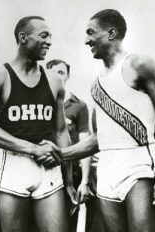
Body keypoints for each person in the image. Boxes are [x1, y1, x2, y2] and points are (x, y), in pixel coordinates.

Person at [57, 9, 155, 232]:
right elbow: (99, 139)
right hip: (107, 168)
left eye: (91, 33)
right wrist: (60, 154)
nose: (86, 40)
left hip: (139, 164)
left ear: (111, 33)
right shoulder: (96, 84)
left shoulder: (138, 64)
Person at [0, 16, 74, 232]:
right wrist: (32, 148)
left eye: (51, 37)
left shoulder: (55, 81)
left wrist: (69, 182)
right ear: (23, 37)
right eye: (43, 35)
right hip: (13, 163)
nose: (49, 42)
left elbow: (60, 131)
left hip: (48, 165)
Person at [46, 59, 91, 232]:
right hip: (46, 169)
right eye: (53, 72)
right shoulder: (42, 103)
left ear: (68, 76)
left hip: (71, 172)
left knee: (68, 223)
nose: (57, 76)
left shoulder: (78, 105)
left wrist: (85, 180)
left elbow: (85, 142)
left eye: (61, 72)